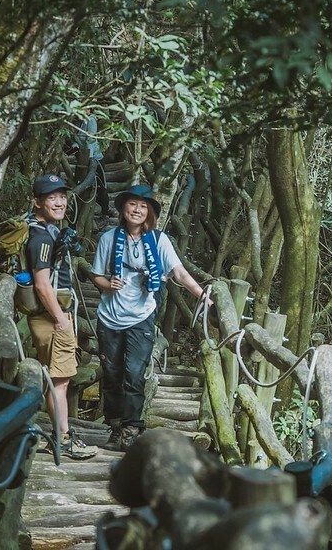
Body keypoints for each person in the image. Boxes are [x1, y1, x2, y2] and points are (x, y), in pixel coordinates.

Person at [91, 184, 209, 451]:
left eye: (143, 206)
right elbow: (96, 275)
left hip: (141, 317)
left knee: (133, 374)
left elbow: (178, 273)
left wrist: (202, 295)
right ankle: (115, 428)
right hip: (109, 317)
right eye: (133, 204)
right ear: (123, 208)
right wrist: (107, 285)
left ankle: (131, 430)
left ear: (150, 213)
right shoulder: (108, 239)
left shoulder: (158, 241)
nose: (137, 210)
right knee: (111, 374)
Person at [26, 174, 98, 460]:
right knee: (61, 380)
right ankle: (62, 439)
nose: (60, 202)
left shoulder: (44, 229)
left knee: (58, 378)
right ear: (37, 201)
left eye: (62, 196)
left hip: (51, 315)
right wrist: (60, 318)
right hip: (53, 317)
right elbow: (42, 284)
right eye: (51, 197)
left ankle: (61, 435)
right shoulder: (41, 236)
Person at [72, 108, 116, 218]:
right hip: (85, 157)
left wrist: (89, 159)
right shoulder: (82, 121)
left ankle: (105, 209)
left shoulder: (91, 120)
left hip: (95, 158)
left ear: (89, 110)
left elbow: (90, 139)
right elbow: (78, 138)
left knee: (100, 184)